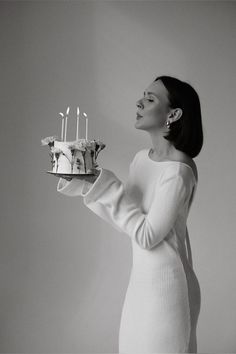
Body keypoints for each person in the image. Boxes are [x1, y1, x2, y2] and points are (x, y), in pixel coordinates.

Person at [57, 75, 203, 353]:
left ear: (173, 114)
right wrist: (87, 182)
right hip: (140, 285)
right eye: (142, 96)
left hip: (169, 288)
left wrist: (106, 183)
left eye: (150, 99)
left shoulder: (179, 170)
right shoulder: (141, 159)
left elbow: (147, 236)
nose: (139, 102)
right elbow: (129, 222)